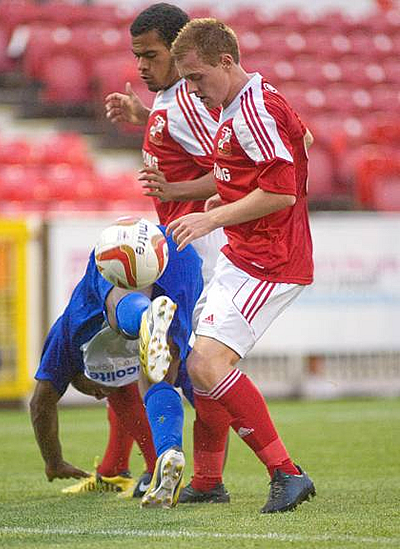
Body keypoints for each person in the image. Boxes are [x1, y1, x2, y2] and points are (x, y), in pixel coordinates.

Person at [166, 18, 316, 513]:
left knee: (208, 364)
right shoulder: (242, 104)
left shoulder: (252, 107)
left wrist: (215, 219)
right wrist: (225, 200)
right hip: (242, 254)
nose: (193, 89)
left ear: (226, 62)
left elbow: (281, 190)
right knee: (200, 366)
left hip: (269, 260)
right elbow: (300, 141)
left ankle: (287, 473)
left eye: (197, 77)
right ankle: (208, 481)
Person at [104, 3, 232, 505]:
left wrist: (177, 193)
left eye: (150, 55)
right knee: (175, 363)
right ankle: (197, 472)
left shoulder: (185, 102)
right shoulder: (169, 101)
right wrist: (143, 117)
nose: (140, 66)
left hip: (191, 245)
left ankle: (185, 468)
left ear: (179, 54)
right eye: (136, 56)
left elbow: (229, 170)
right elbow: (182, 150)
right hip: (178, 242)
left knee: (170, 363)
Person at [30, 221, 203, 509]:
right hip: (178, 253)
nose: (99, 394)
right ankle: (169, 454)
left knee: (116, 306)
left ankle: (141, 317)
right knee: (177, 376)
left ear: (78, 372)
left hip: (133, 251)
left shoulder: (66, 337)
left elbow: (40, 404)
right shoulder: (150, 349)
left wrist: (54, 462)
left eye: (95, 387)